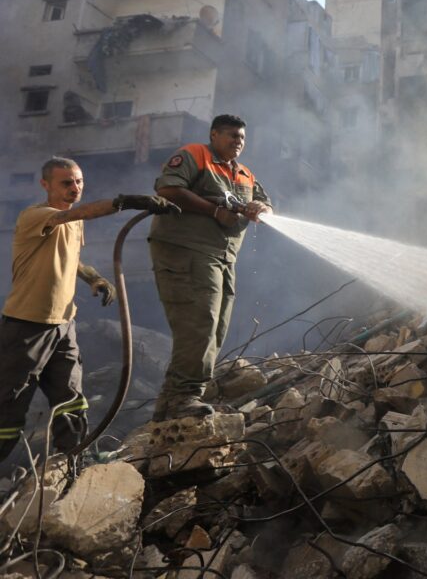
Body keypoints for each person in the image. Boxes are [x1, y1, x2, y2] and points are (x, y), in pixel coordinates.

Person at [0, 157, 179, 462]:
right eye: (66, 183)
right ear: (46, 185)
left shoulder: (73, 220)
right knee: (9, 404)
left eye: (79, 182)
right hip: (27, 325)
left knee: (70, 398)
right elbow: (80, 213)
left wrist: (94, 278)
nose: (75, 188)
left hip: (63, 324)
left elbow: (73, 259)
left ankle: (70, 461)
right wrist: (126, 202)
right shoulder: (36, 215)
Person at [148, 114, 273, 421]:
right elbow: (168, 190)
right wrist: (215, 211)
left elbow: (267, 204)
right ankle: (182, 397)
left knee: (216, 328)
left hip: (224, 257)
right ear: (214, 135)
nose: (237, 142)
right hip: (188, 250)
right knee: (199, 321)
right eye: (231, 135)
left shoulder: (244, 174)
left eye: (241, 137)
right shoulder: (195, 155)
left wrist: (260, 208)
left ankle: (173, 400)